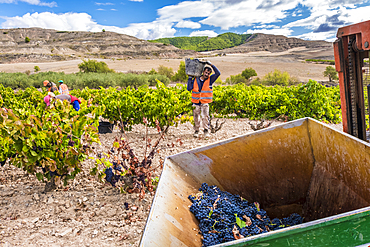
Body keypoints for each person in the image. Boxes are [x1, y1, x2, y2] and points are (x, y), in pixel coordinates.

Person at [187, 61, 220, 138]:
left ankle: (206, 130)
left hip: (205, 102)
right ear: (203, 72)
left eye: (208, 73)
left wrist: (211, 64)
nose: (206, 74)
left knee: (205, 116)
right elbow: (189, 88)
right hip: (196, 102)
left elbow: (218, 73)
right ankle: (196, 130)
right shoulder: (195, 79)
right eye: (206, 72)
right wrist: (189, 78)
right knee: (196, 116)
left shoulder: (210, 79)